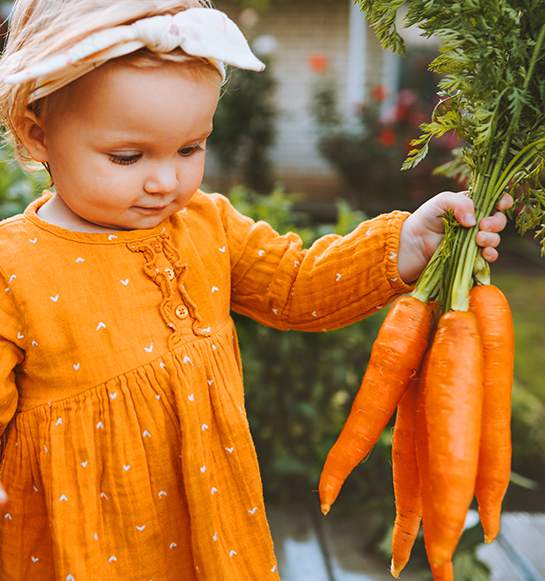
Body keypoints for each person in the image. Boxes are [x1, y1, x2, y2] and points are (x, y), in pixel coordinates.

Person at [0, 0, 511, 579]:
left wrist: (406, 246)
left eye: (190, 148)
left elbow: (298, 287)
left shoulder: (207, 224)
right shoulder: (13, 268)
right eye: (127, 156)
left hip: (217, 536)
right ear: (36, 134)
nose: (167, 180)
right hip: (86, 549)